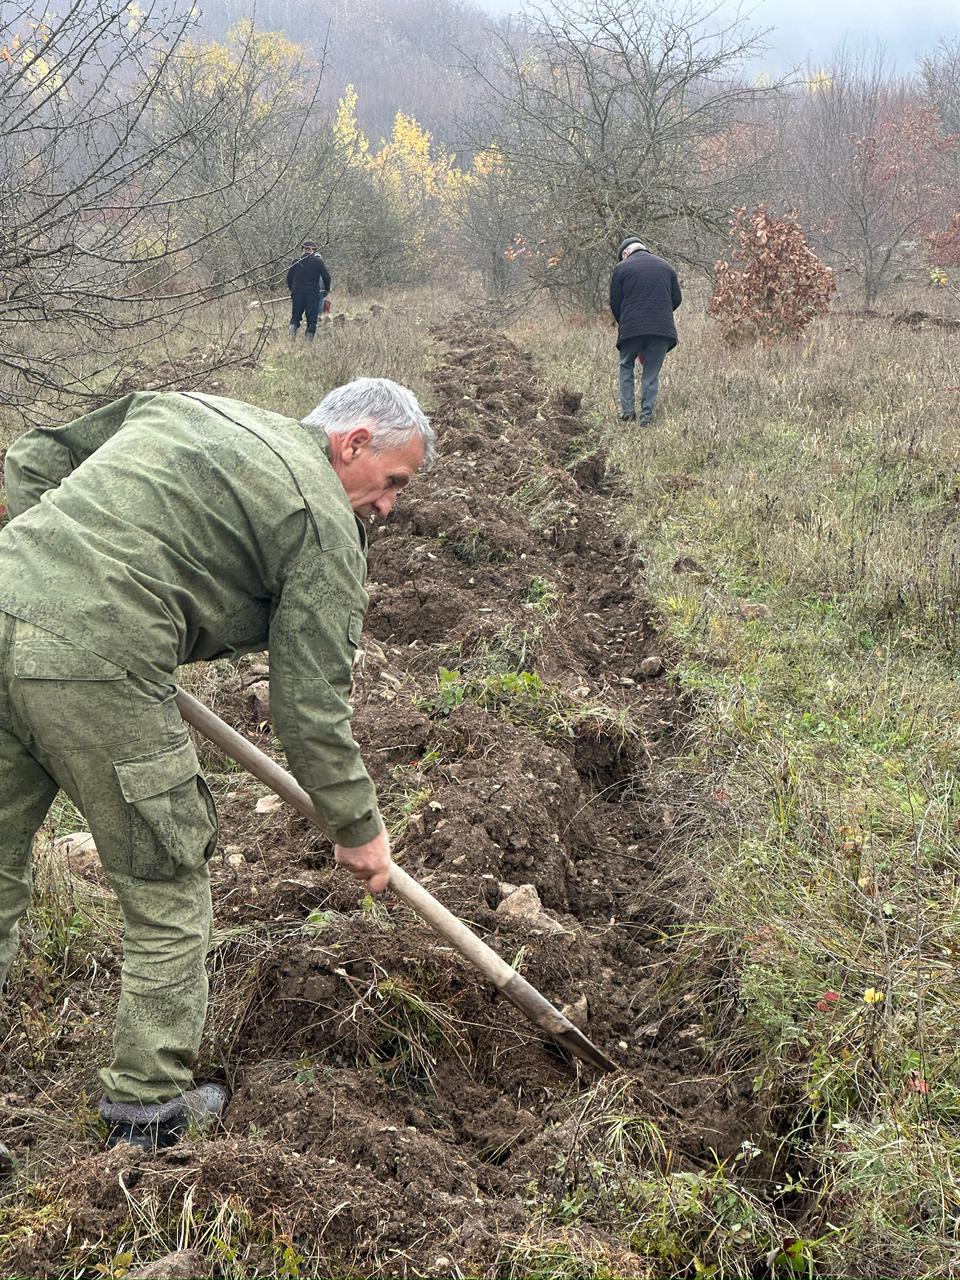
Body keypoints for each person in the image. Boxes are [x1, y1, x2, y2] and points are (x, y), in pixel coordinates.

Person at [0, 378, 432, 1153]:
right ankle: (147, 1111)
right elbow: (309, 707)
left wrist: (49, 573)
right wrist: (357, 827)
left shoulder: (185, 406)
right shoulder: (323, 524)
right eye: (393, 483)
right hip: (99, 664)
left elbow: (37, 454)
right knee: (166, 882)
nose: (388, 507)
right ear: (355, 441)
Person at [609, 236, 682, 425]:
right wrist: (660, 314)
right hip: (661, 330)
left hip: (631, 329)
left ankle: (628, 413)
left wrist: (624, 321)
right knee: (651, 373)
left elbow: (615, 302)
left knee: (626, 366)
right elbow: (677, 299)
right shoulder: (666, 267)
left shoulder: (621, 268)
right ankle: (646, 417)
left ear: (626, 254)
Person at [287, 239, 331, 340]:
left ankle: (291, 338)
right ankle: (308, 342)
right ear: (313, 250)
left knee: (295, 316)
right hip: (312, 294)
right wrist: (327, 289)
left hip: (297, 294)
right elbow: (326, 276)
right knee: (312, 319)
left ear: (303, 249)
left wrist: (292, 290)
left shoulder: (296, 261)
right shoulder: (317, 261)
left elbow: (289, 277)